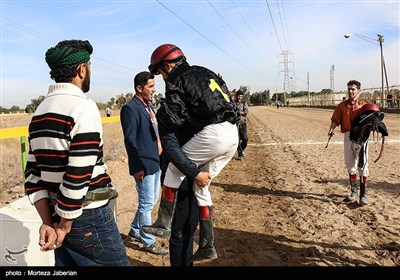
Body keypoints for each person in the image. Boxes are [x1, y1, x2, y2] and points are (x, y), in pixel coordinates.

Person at [24, 39, 130, 266]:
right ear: (82, 69)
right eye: (89, 67)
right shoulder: (83, 107)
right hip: (87, 216)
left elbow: (32, 176)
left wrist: (48, 222)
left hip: (55, 214)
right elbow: (78, 174)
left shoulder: (39, 113)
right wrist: (63, 226)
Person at [142, 43, 241, 262]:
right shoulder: (206, 72)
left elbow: (175, 119)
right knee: (202, 186)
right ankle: (207, 244)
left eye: (159, 71)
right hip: (231, 133)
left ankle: (162, 222)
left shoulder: (177, 78)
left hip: (213, 135)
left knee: (173, 171)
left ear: (167, 65)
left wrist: (165, 118)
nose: (161, 78)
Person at [120, 71, 168, 255]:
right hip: (144, 165)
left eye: (154, 86)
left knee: (150, 201)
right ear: (139, 88)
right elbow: (130, 140)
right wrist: (136, 167)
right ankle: (148, 241)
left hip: (155, 162)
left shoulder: (148, 106)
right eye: (150, 86)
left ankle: (134, 230)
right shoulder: (130, 108)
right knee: (147, 204)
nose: (154, 90)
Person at [328, 80, 369, 206]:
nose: (351, 91)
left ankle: (363, 195)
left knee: (363, 165)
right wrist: (331, 129)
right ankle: (353, 192)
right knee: (350, 164)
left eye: (353, 89)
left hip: (361, 138)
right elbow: (336, 119)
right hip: (347, 136)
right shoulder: (342, 106)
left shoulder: (364, 106)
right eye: (349, 89)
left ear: (359, 91)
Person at [235, 90, 249, 160]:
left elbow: (246, 112)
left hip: (243, 123)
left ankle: (241, 150)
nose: (239, 97)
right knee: (236, 140)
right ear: (236, 96)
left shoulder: (244, 103)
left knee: (245, 139)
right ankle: (240, 155)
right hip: (234, 124)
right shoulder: (233, 103)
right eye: (238, 96)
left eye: (241, 96)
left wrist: (237, 112)